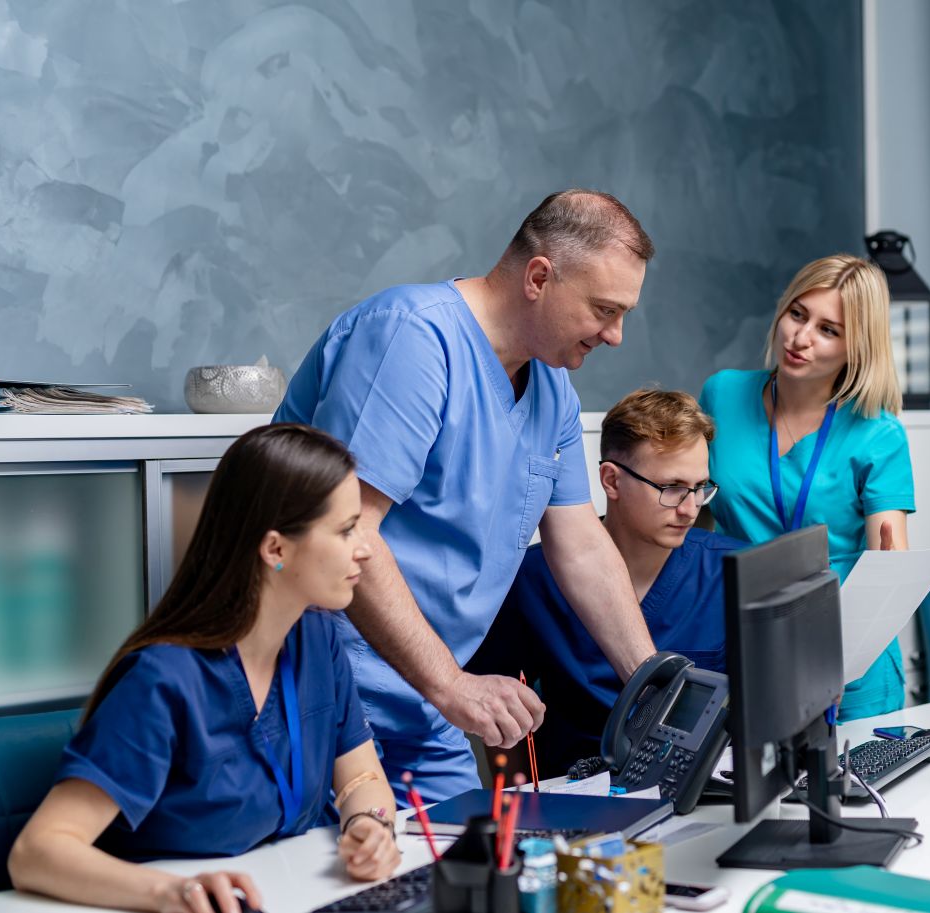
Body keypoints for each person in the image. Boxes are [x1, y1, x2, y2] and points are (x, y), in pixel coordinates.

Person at [273, 190, 661, 801]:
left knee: (471, 870)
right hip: (321, 689)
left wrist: (653, 685)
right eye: (604, 310)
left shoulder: (552, 389)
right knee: (346, 883)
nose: (615, 335)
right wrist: (451, 684)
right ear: (540, 277)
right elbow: (350, 531)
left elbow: (581, 544)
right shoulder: (411, 339)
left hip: (424, 701)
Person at [9, 424, 400, 913]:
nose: (364, 548)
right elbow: (37, 851)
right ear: (275, 549)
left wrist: (370, 826)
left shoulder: (316, 639)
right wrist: (172, 892)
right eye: (345, 531)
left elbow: (362, 777)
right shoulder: (164, 680)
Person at [468, 389, 746, 776]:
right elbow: (497, 710)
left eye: (700, 487)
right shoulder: (532, 578)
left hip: (698, 788)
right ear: (611, 481)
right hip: (572, 796)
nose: (690, 508)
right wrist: (519, 802)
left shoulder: (734, 570)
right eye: (672, 488)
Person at [699, 254, 913, 721]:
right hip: (747, 640)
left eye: (828, 330)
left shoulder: (879, 433)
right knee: (753, 791)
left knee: (856, 791)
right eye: (798, 314)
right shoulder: (722, 395)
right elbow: (695, 519)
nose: (800, 338)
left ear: (857, 346)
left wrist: (837, 661)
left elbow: (888, 572)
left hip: (846, 657)